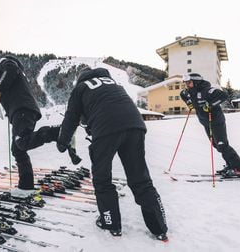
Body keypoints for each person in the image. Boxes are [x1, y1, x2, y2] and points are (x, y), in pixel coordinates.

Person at [57, 67, 168, 240]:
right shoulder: (114, 84)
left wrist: (63, 142)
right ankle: (159, 228)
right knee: (140, 179)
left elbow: (71, 117)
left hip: (105, 129)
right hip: (135, 126)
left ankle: (111, 223)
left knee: (102, 179)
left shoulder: (81, 88)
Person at [0, 56, 64, 198]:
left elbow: (11, 70)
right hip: (20, 112)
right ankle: (26, 186)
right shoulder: (4, 79)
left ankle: (58, 132)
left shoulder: (5, 64)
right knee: (17, 149)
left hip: (23, 110)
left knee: (22, 142)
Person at [180, 73, 240, 177]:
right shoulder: (189, 92)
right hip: (206, 122)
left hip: (216, 121)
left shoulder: (207, 90)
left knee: (222, 145)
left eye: (189, 82)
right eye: (185, 83)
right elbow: (182, 94)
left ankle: (238, 168)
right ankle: (230, 165)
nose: (187, 85)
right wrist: (189, 103)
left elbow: (223, 95)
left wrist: (210, 104)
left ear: (196, 82)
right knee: (216, 145)